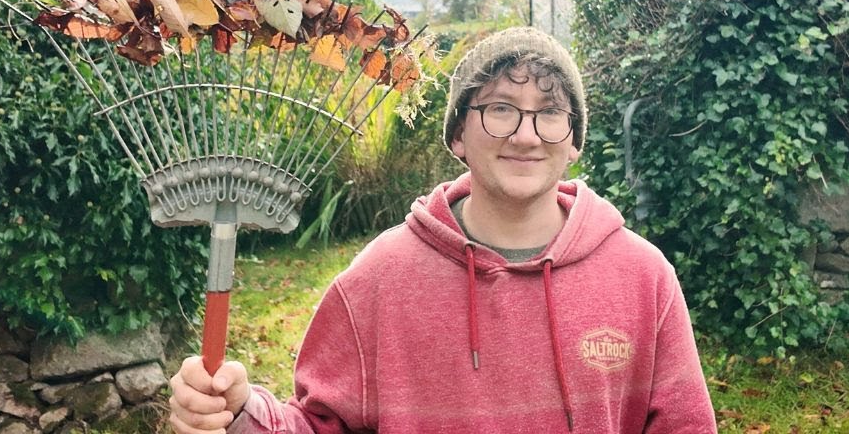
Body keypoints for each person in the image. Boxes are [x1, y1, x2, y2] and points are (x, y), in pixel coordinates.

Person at [168, 27, 718, 434]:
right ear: (458, 135)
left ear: (573, 141)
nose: (526, 135)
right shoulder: (380, 279)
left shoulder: (642, 277)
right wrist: (240, 413)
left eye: (550, 113)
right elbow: (317, 427)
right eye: (500, 109)